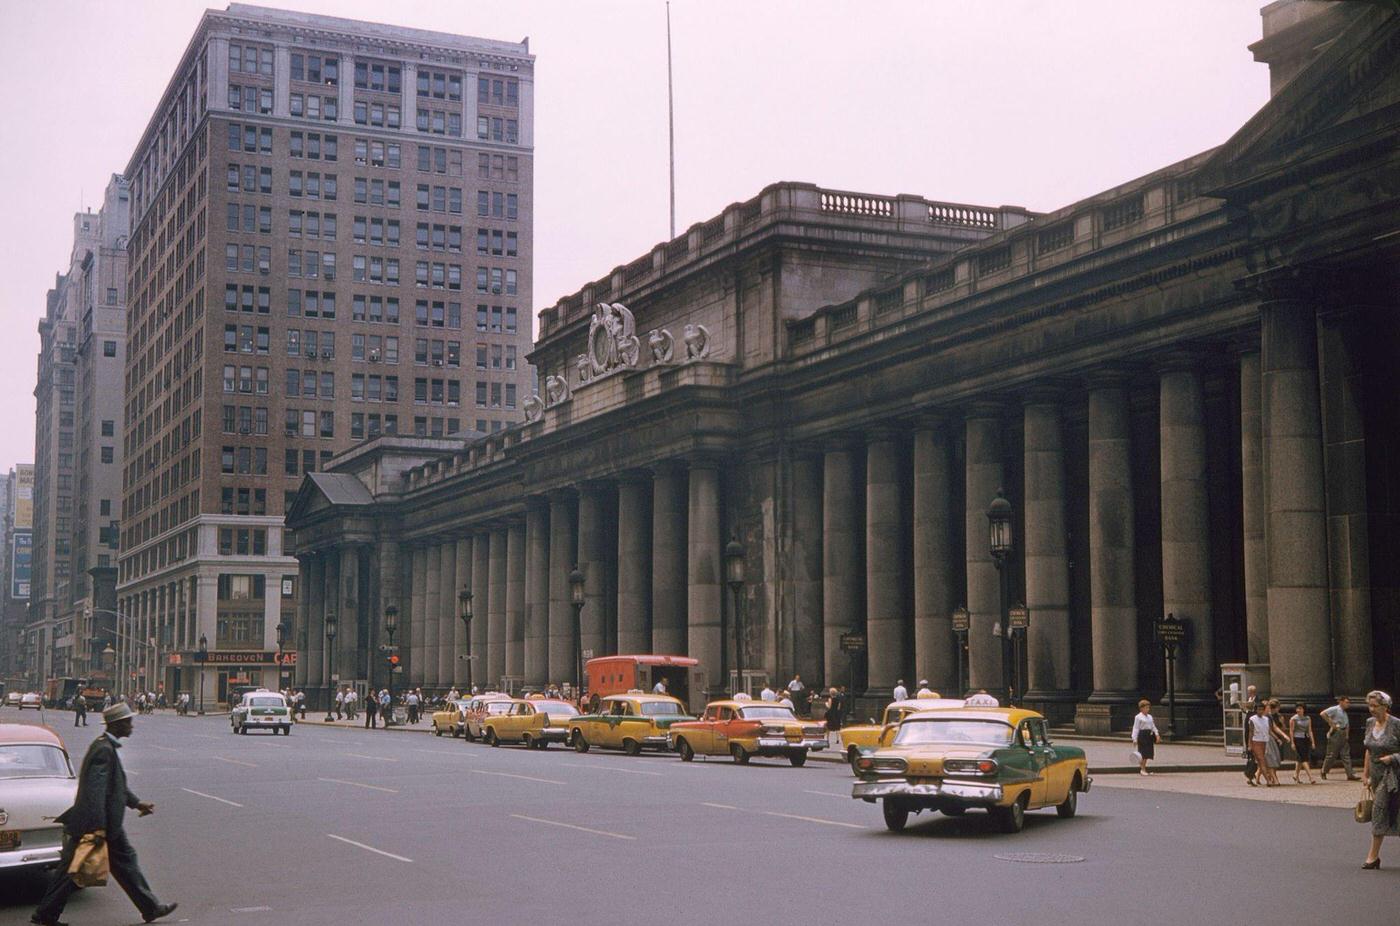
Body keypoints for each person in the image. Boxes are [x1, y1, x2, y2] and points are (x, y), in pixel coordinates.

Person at [32, 702, 178, 926]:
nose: (132, 726)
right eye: (128, 722)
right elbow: (96, 791)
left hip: (105, 824)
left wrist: (137, 804)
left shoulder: (106, 747)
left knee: (124, 864)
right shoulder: (103, 750)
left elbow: (114, 786)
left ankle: (150, 908)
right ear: (117, 725)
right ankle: (45, 915)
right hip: (96, 824)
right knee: (72, 871)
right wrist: (97, 827)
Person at [1362, 690, 1400, 869]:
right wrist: (1366, 774)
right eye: (1369, 706)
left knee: (1379, 811)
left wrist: (1393, 758)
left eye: (1375, 706)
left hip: (1394, 774)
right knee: (1390, 812)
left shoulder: (1396, 725)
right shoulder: (1370, 723)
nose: (1371, 709)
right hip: (1377, 774)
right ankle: (1374, 856)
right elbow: (1368, 750)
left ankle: (1372, 856)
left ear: (1385, 707)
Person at [1321, 695, 1359, 781]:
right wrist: (1331, 724)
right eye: (1346, 702)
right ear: (1341, 702)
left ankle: (1350, 774)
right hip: (1336, 733)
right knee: (1331, 754)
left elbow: (1347, 725)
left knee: (1346, 755)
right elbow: (1323, 713)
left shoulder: (1344, 712)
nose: (1348, 704)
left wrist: (1347, 735)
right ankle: (1324, 771)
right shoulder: (1335, 709)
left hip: (1343, 733)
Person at [1247, 701, 1279, 787]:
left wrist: (1277, 738)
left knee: (1261, 761)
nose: (1260, 711)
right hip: (1256, 741)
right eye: (1258, 709)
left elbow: (1269, 731)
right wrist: (1249, 745)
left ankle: (1251, 777)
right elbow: (1251, 732)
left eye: (1262, 709)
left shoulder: (1266, 719)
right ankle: (1268, 780)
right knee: (1261, 760)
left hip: (1264, 741)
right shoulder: (1252, 719)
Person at [1289, 703, 1317, 784]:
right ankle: (1310, 777)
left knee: (1300, 758)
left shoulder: (1308, 718)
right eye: (1297, 708)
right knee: (1304, 759)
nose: (1298, 710)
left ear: (1304, 709)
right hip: (1297, 739)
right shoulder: (1293, 719)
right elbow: (1291, 731)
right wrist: (1292, 743)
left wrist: (1313, 742)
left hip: (1305, 738)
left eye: (1300, 708)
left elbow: (1310, 730)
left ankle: (1296, 775)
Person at [1131, 699, 1160, 776]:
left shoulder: (1150, 717)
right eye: (1146, 708)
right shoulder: (1138, 717)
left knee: (1147, 753)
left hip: (1149, 735)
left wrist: (1157, 734)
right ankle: (1142, 769)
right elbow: (1136, 728)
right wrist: (1134, 738)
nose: (1148, 709)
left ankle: (1144, 768)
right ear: (1141, 708)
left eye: (1148, 708)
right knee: (1143, 753)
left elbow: (1153, 726)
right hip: (1142, 735)